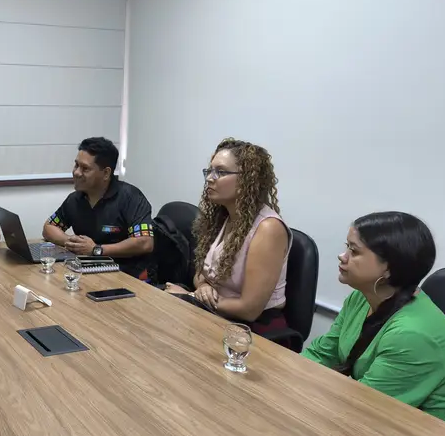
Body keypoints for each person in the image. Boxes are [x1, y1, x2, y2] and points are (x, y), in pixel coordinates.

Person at [302, 212, 445, 425]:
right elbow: (323, 354)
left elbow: (364, 410)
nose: (342, 256)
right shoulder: (361, 298)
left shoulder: (411, 335)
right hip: (370, 417)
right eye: (347, 247)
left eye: (354, 251)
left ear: (389, 268)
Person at [166, 138, 291, 334]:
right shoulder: (222, 216)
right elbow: (201, 271)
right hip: (215, 312)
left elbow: (249, 310)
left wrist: (191, 298)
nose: (210, 178)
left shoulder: (268, 228)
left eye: (221, 172)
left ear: (248, 179)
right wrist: (203, 286)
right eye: (209, 171)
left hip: (252, 330)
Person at [42, 137, 154, 278]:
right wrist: (71, 242)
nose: (76, 172)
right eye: (76, 165)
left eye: (85, 168)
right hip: (87, 271)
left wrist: (96, 249)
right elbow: (49, 227)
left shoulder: (130, 197)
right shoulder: (75, 199)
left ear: (106, 173)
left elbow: (145, 242)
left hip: (125, 274)